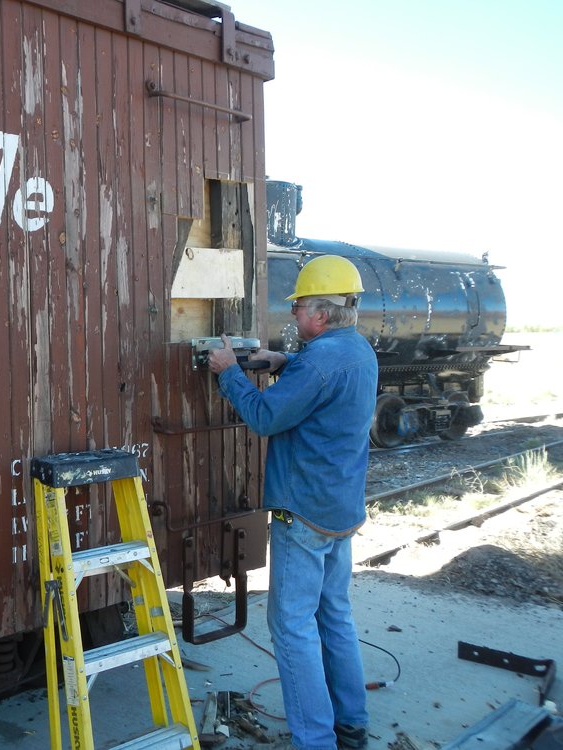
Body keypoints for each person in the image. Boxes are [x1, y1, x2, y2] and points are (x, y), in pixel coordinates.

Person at [208, 255, 378, 750]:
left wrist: (227, 372)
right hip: (340, 510)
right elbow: (321, 385)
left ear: (320, 315)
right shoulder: (357, 351)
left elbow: (263, 416)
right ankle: (350, 725)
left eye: (299, 306)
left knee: (291, 626)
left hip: (302, 511)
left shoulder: (321, 361)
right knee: (335, 617)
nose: (295, 313)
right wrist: (287, 364)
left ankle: (314, 740)